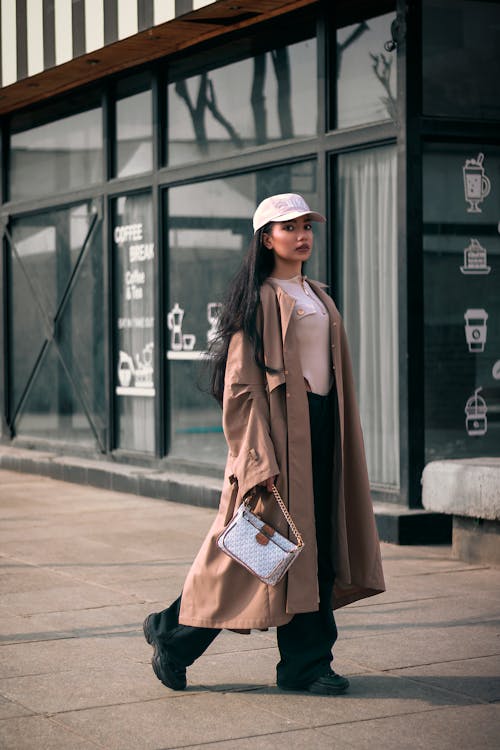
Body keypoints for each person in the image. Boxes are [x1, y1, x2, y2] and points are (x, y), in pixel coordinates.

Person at [143, 193, 385, 695]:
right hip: (276, 442)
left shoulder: (316, 294)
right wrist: (258, 459)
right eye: (288, 227)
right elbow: (240, 389)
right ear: (265, 238)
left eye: (305, 226)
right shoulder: (258, 301)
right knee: (251, 555)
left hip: (320, 431)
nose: (302, 235)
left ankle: (301, 663)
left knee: (305, 552)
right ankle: (175, 635)